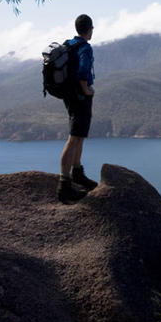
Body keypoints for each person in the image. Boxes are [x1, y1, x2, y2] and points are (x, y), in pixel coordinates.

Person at [57, 14, 99, 203]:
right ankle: (64, 185)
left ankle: (77, 173)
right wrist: (86, 89)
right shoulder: (85, 48)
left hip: (69, 96)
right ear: (89, 29)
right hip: (80, 97)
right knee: (74, 139)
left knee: (79, 135)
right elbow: (83, 71)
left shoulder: (68, 44)